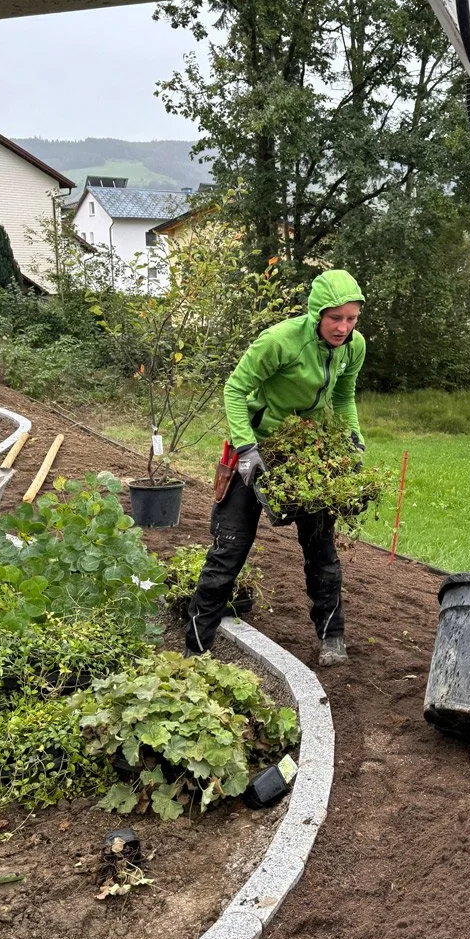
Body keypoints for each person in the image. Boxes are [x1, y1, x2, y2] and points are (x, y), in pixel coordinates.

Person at [186, 269, 366, 668]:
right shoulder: (279, 341)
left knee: (321, 548)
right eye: (335, 318)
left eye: (351, 318)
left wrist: (352, 438)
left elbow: (343, 396)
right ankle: (195, 648)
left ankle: (332, 636)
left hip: (305, 451)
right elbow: (235, 389)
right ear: (317, 313)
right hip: (256, 447)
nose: (343, 327)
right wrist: (246, 449)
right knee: (230, 548)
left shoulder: (354, 346)